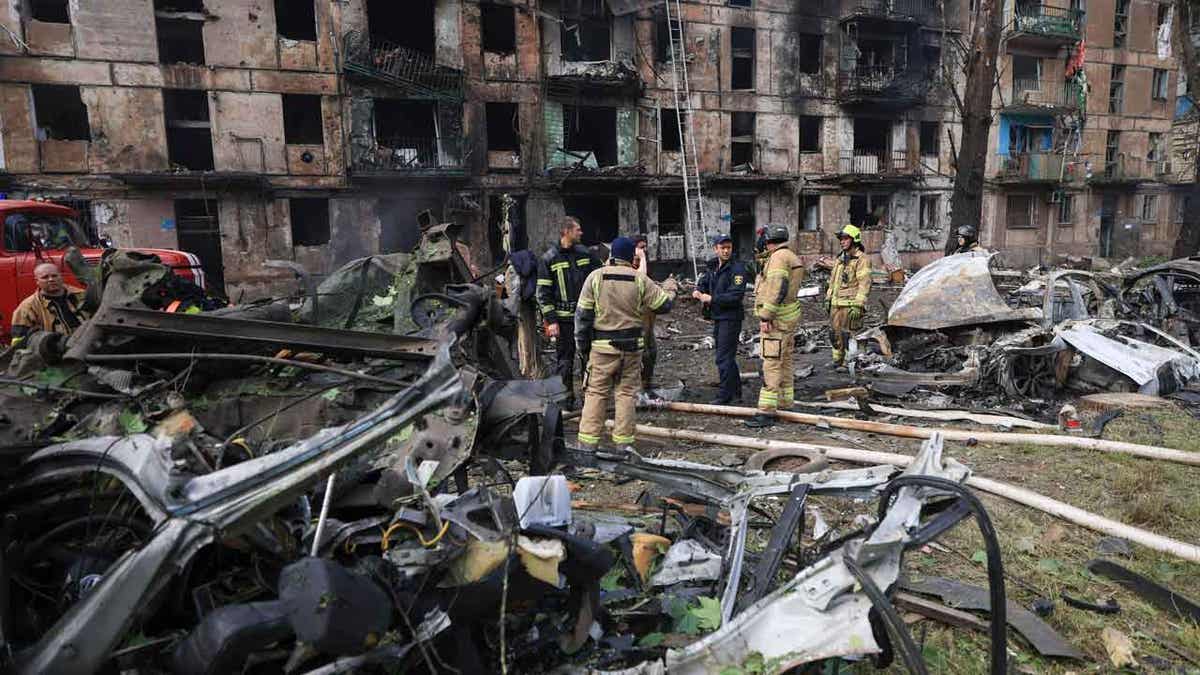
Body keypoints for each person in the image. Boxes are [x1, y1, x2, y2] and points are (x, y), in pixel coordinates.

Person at [575, 237, 677, 449]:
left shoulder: (595, 277)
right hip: (631, 350)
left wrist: (583, 349)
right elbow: (663, 305)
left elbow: (582, 317)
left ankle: (587, 446)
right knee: (626, 395)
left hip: (602, 349)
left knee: (596, 394)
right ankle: (623, 446)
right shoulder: (639, 280)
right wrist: (671, 290)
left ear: (611, 255)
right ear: (632, 257)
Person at [537, 217, 600, 409]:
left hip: (586, 318)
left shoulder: (585, 254)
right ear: (566, 231)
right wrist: (551, 321)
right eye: (578, 230)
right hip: (563, 322)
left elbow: (599, 277)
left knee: (589, 359)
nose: (581, 233)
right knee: (564, 360)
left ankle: (590, 399)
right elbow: (543, 294)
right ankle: (565, 401)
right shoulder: (549, 258)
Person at [745, 225, 805, 428]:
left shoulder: (778, 258)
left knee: (771, 362)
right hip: (788, 318)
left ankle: (767, 411)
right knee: (785, 360)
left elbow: (777, 288)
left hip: (776, 321)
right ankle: (786, 402)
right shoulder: (789, 256)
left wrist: (766, 316)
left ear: (769, 239)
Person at [694, 233, 749, 404]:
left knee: (723, 357)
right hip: (718, 316)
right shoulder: (713, 266)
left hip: (730, 317)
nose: (726, 251)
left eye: (729, 248)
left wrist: (711, 299)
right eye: (722, 248)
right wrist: (699, 290)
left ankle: (725, 395)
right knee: (726, 356)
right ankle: (736, 391)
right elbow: (704, 281)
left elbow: (735, 295)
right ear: (715, 249)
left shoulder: (737, 269)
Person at [826, 224, 872, 368]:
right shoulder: (840, 259)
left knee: (849, 336)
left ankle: (849, 362)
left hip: (851, 305)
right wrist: (828, 298)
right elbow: (833, 281)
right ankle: (837, 360)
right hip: (836, 304)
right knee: (835, 334)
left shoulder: (861, 259)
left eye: (845, 238)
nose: (842, 241)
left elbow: (865, 284)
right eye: (841, 239)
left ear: (854, 240)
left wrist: (858, 305)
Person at [11, 262, 88, 348]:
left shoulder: (83, 296)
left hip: (90, 349)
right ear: (37, 281)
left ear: (61, 276)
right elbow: (19, 343)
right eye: (45, 277)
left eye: (54, 276)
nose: (51, 279)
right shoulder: (27, 308)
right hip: (52, 357)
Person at [631, 234, 658, 391]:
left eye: (645, 247)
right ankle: (637, 386)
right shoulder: (629, 267)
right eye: (641, 247)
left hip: (647, 317)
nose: (644, 250)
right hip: (634, 318)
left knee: (651, 351)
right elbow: (640, 281)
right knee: (640, 353)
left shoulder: (645, 265)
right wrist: (642, 259)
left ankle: (647, 382)